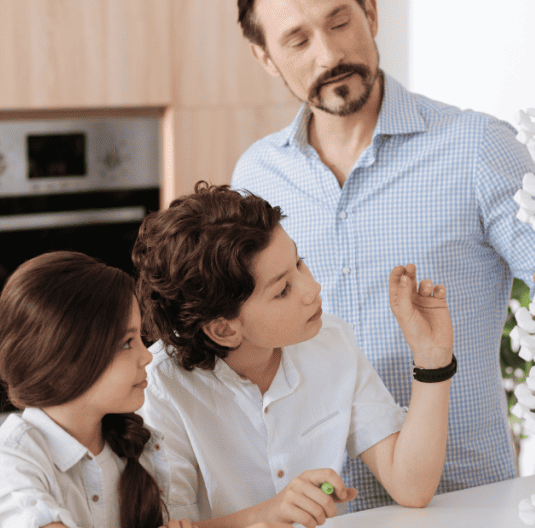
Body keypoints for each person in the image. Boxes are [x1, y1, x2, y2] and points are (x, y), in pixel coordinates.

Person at [230, 0, 535, 511]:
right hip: (314, 507)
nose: (328, 55)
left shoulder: (477, 146)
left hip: (463, 498)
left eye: (339, 22)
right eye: (297, 40)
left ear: (372, 12)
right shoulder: (256, 176)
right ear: (266, 56)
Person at [132, 183, 455, 528]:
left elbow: (412, 487)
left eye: (299, 263)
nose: (312, 288)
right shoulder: (160, 387)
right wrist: (266, 515)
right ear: (224, 329)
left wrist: (431, 356)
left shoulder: (332, 343)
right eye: (283, 289)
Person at [0, 251, 206, 528]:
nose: (147, 357)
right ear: (63, 361)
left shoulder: (136, 448)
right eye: (127, 343)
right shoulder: (7, 461)